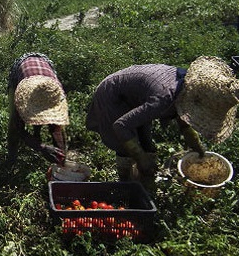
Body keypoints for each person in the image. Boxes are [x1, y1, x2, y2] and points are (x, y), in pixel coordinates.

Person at [86, 56, 239, 188]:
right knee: (126, 147)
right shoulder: (164, 98)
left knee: (147, 144)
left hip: (136, 97)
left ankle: (143, 181)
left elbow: (184, 118)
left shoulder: (189, 87)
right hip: (112, 95)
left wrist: (197, 147)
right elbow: (121, 125)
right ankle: (125, 184)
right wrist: (140, 156)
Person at [7, 53, 69, 171]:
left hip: (44, 66)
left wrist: (61, 155)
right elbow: (18, 129)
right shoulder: (23, 96)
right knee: (13, 126)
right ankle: (11, 160)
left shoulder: (56, 95)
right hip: (21, 69)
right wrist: (42, 148)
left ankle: (36, 135)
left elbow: (56, 129)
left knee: (51, 121)